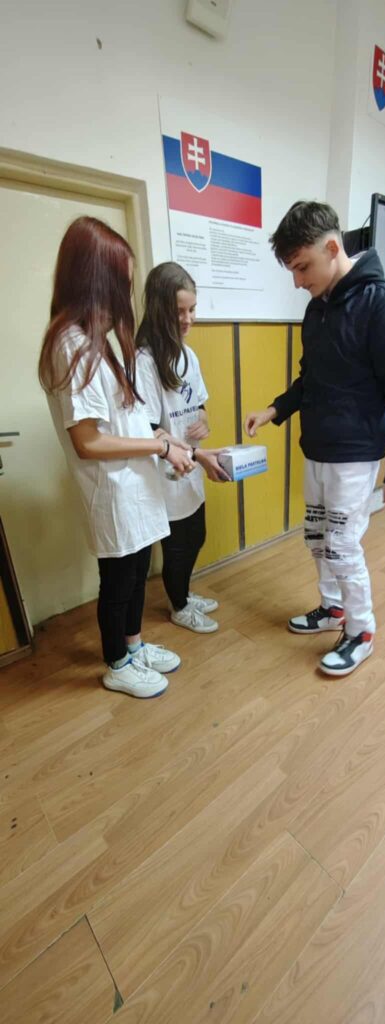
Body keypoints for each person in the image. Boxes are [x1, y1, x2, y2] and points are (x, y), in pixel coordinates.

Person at [245, 201, 385, 677]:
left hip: (355, 454)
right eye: (291, 270)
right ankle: (333, 608)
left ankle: (361, 631)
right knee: (317, 538)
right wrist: (275, 409)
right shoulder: (317, 310)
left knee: (343, 545)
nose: (297, 281)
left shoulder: (382, 304)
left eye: (302, 267)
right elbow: (310, 378)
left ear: (331, 247)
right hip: (318, 448)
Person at [39, 217, 194, 698]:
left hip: (134, 487)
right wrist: (160, 445)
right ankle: (117, 663)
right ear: (93, 279)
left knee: (137, 572)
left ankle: (134, 645)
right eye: (121, 283)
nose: (126, 294)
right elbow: (88, 441)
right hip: (113, 491)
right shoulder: (69, 345)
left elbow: (121, 421)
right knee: (119, 581)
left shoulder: (97, 341)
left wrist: (162, 437)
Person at [135, 262, 229, 634]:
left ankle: (185, 594)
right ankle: (179, 606)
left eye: (192, 309)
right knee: (177, 545)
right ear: (160, 310)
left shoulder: (188, 356)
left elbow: (199, 403)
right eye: (179, 311)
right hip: (165, 470)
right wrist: (192, 453)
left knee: (196, 535)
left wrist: (203, 418)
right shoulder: (144, 361)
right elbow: (146, 426)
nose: (188, 319)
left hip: (191, 463)